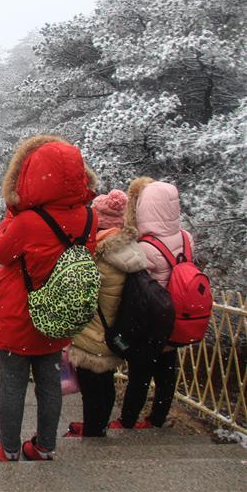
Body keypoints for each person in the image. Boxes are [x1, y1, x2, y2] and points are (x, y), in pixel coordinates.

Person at [0, 135, 98, 461]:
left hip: (18, 313)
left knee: (13, 383)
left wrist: (12, 214)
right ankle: (45, 446)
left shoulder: (27, 221)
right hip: (57, 312)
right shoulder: (90, 218)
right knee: (49, 382)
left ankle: (8, 448)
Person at [64, 190, 148, 438]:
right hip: (116, 331)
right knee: (106, 383)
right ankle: (98, 425)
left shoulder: (97, 253)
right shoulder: (130, 250)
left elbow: (84, 295)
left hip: (93, 330)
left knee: (91, 387)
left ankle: (93, 432)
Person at [112, 178, 192, 429]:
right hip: (177, 316)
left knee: (140, 374)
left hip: (152, 321)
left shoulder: (146, 247)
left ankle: (127, 421)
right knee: (167, 372)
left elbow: (119, 262)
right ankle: (157, 419)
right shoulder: (186, 237)